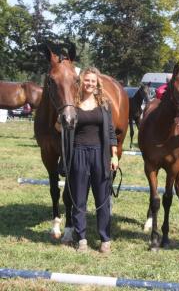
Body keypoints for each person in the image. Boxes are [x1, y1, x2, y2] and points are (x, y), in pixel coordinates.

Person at [57, 67, 118, 254]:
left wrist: (114, 154)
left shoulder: (104, 104)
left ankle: (105, 238)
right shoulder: (72, 105)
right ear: (81, 82)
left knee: (102, 199)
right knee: (79, 199)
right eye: (87, 80)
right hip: (78, 153)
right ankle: (81, 238)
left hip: (100, 154)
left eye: (93, 81)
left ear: (97, 83)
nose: (90, 83)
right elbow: (58, 127)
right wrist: (63, 124)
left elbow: (110, 132)